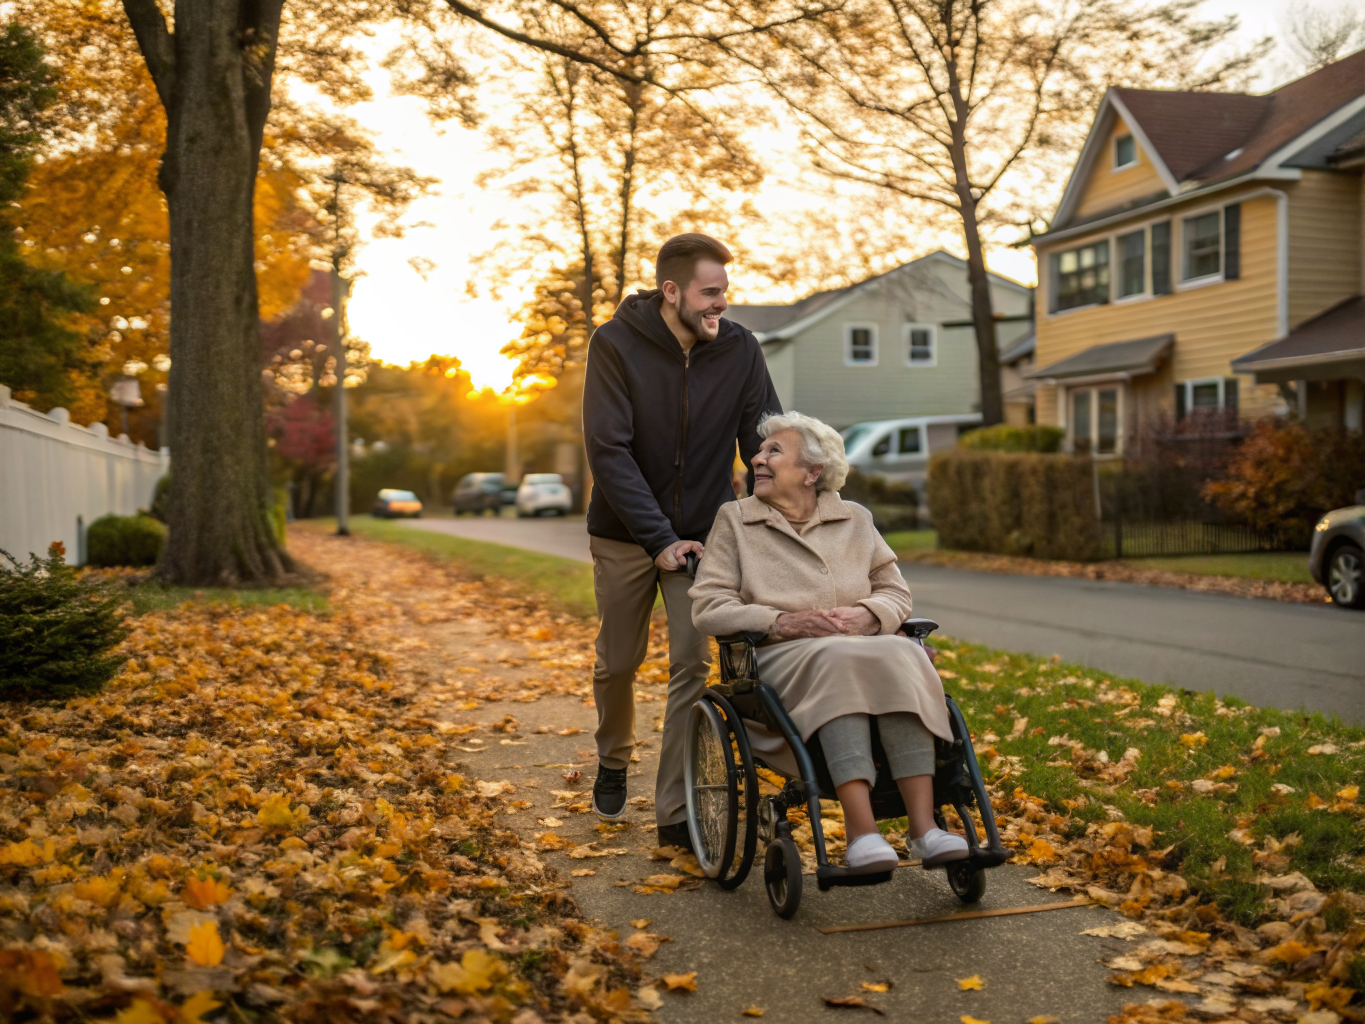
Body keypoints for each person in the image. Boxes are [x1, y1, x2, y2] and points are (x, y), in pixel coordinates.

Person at [688, 411, 970, 872]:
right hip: (779, 658)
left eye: (773, 451)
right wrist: (783, 621)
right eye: (760, 451)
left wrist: (869, 614)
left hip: (862, 646)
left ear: (811, 473)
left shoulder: (855, 518)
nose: (757, 459)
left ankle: (924, 829)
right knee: (841, 657)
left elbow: (895, 591)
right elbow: (709, 606)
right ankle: (863, 833)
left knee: (903, 652)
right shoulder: (736, 521)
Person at [582, 233, 781, 849]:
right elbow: (608, 450)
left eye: (725, 290)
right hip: (624, 532)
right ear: (672, 292)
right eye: (710, 292)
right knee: (617, 663)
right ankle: (614, 757)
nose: (722, 302)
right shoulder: (615, 344)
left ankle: (677, 809)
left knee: (691, 665)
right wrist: (657, 538)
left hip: (702, 534)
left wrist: (780, 501)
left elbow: (764, 435)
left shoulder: (740, 349)